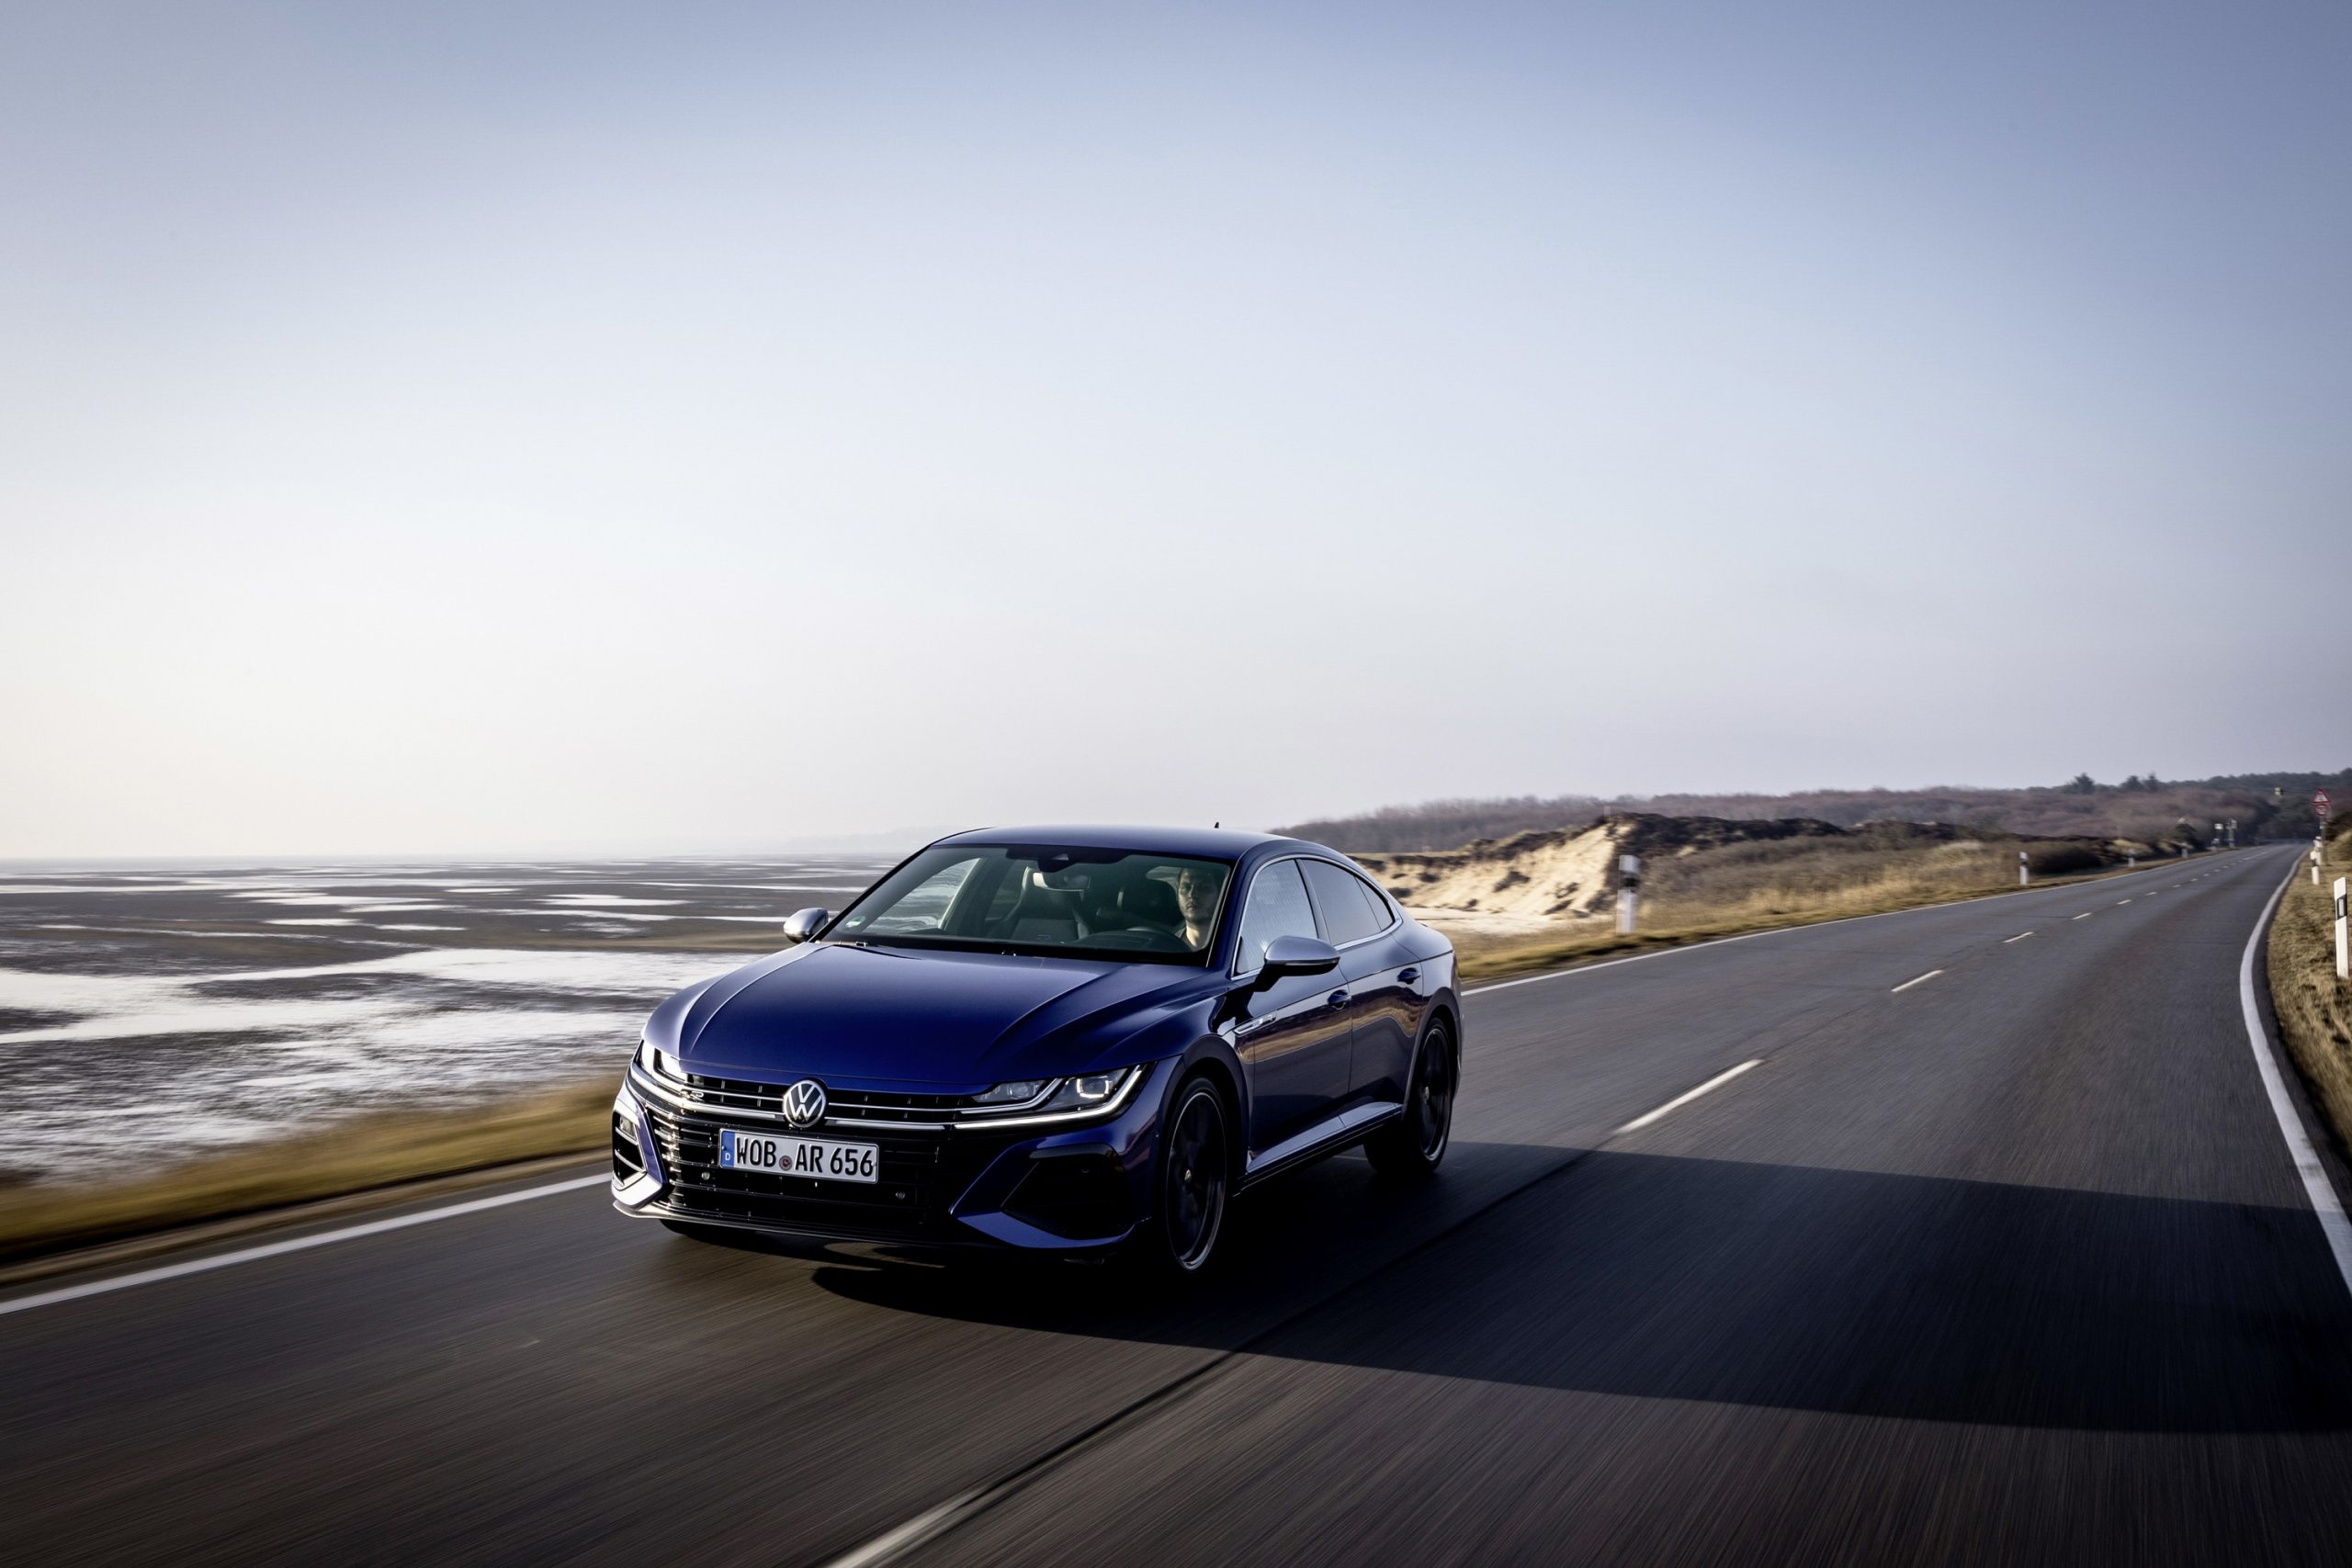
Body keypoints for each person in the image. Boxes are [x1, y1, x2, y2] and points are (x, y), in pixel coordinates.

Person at [1174, 864, 1224, 950]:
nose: (1192, 895)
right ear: (1177, 896)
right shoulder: (1166, 946)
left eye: (1204, 888)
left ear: (1221, 895)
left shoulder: (1235, 947)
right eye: (1186, 887)